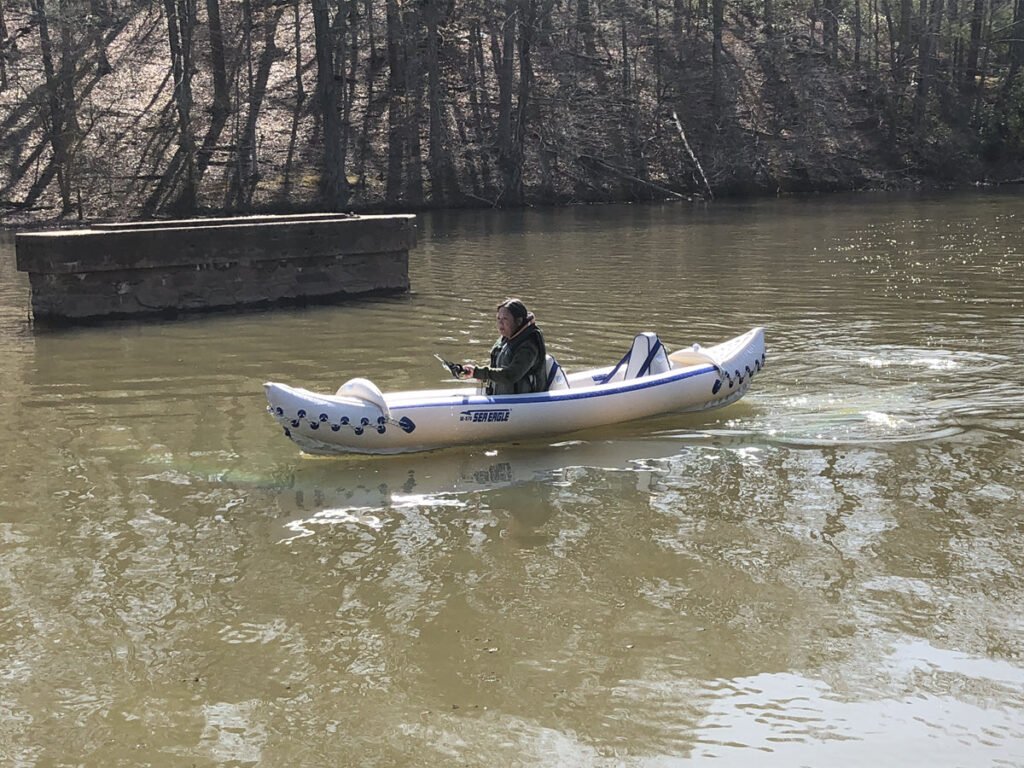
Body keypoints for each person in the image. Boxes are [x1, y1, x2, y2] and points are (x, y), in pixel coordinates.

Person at [460, 298, 547, 395]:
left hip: (524, 402)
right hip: (503, 398)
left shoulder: (529, 346)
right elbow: (499, 367)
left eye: (505, 319)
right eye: (498, 319)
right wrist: (478, 374)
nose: (500, 323)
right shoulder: (507, 338)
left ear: (518, 321)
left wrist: (479, 372)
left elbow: (511, 375)